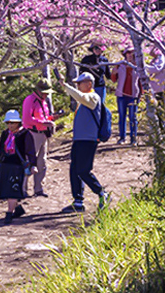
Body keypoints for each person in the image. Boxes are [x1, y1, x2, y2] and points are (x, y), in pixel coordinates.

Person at [53, 69, 111, 213]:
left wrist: (66, 86)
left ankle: (102, 192)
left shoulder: (93, 97)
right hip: (79, 140)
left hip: (89, 140)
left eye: (80, 83)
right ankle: (78, 201)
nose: (78, 86)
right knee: (74, 170)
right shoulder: (84, 98)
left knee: (83, 170)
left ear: (89, 83)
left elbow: (81, 98)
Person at [0, 110, 37, 224]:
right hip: (5, 165)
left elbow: (31, 151)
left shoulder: (25, 134)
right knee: (7, 189)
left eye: (12, 122)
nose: (10, 125)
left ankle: (9, 213)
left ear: (18, 122)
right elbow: (0, 149)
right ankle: (17, 209)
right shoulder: (5, 133)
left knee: (12, 189)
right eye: (8, 122)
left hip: (17, 166)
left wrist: (33, 165)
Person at [21, 79, 55, 197]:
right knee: (29, 161)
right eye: (44, 92)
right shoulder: (30, 100)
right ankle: (22, 190)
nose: (46, 95)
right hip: (32, 134)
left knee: (42, 162)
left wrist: (51, 119)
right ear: (38, 90)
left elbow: (43, 117)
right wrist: (44, 123)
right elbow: (26, 119)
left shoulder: (43, 101)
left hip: (43, 134)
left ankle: (38, 189)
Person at [111, 47, 143, 145]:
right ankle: (122, 138)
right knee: (122, 117)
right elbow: (113, 79)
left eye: (131, 53)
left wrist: (142, 94)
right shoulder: (119, 65)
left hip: (134, 94)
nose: (130, 55)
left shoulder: (137, 66)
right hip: (121, 94)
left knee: (133, 117)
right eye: (128, 53)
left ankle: (133, 139)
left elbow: (141, 81)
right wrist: (113, 72)